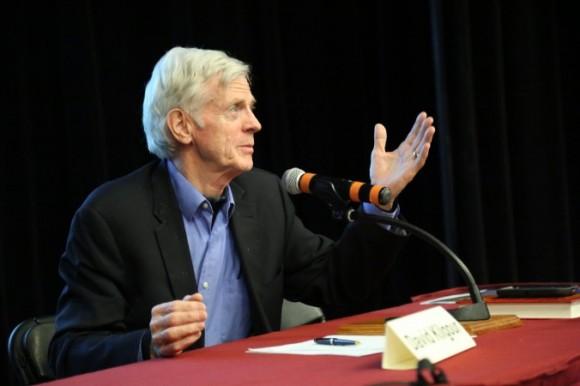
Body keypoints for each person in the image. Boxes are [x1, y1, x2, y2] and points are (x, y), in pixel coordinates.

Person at [48, 46, 435, 377]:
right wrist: (148, 344)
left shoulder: (264, 196)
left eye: (251, 108)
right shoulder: (110, 215)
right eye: (235, 109)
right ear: (182, 126)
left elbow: (337, 283)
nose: (255, 124)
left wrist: (378, 201)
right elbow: (68, 351)